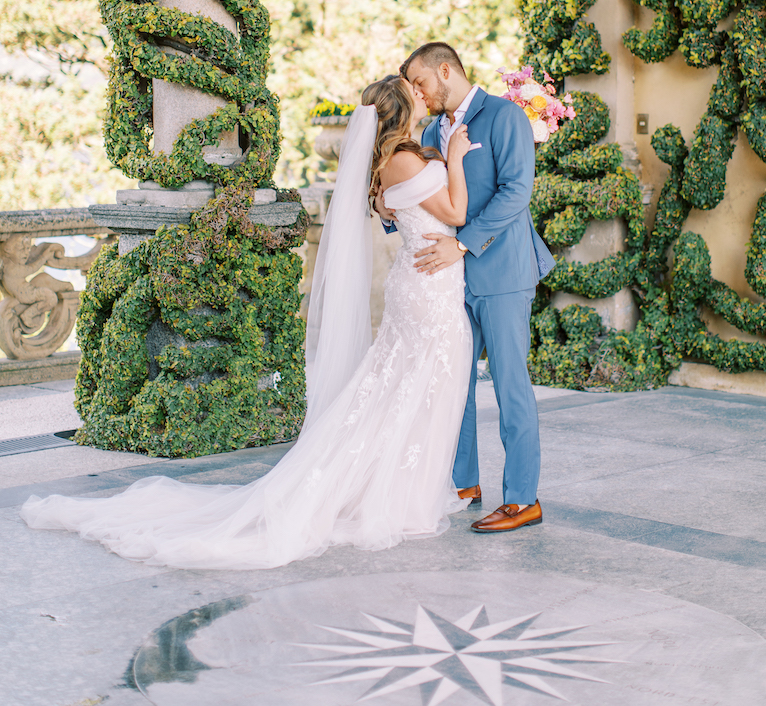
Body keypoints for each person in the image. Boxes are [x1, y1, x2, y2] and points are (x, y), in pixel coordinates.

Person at [20, 77, 476, 570]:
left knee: (404, 387)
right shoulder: (409, 160)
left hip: (421, 280)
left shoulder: (386, 163)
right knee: (421, 384)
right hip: (430, 288)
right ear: (402, 113)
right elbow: (457, 210)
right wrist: (454, 157)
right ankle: (399, 496)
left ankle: (395, 486)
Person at [376, 42, 555, 533]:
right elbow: (424, 198)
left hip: (501, 275)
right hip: (447, 282)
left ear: (445, 70)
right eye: (412, 87)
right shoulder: (432, 130)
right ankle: (463, 482)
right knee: (453, 383)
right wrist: (390, 216)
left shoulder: (505, 117)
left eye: (420, 82)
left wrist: (464, 245)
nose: (417, 92)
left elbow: (516, 192)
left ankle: (522, 498)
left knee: (510, 385)